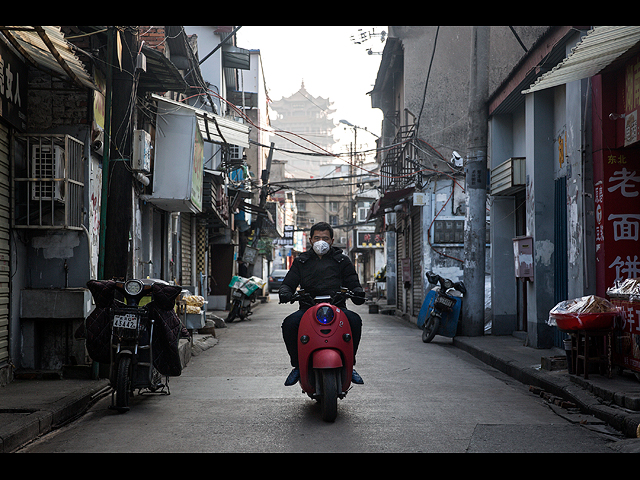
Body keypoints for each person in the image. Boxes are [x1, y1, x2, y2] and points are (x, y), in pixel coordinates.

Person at [279, 222, 366, 386]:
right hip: (307, 309)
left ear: (332, 240)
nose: (321, 242)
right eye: (317, 238)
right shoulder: (301, 261)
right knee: (289, 324)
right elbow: (288, 283)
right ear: (310, 240)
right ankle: (298, 365)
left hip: (338, 308)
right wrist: (285, 291)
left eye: (325, 238)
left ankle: (349, 363)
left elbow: (353, 282)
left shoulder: (342, 260)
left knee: (354, 320)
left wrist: (358, 291)